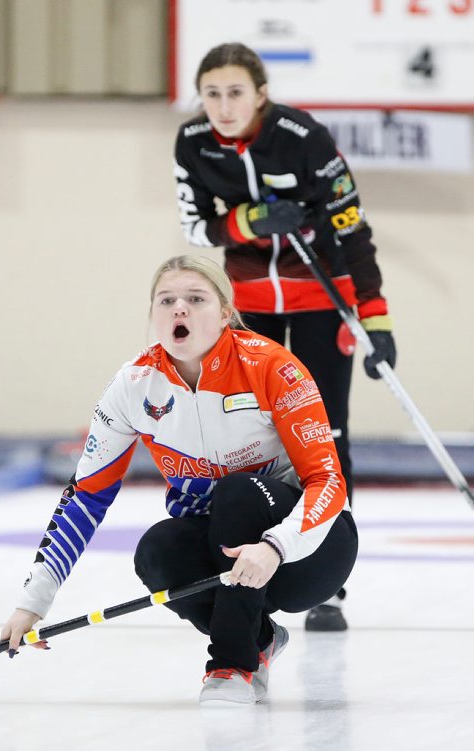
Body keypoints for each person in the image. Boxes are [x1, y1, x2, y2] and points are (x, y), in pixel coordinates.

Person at [1, 255, 358, 706]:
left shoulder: (273, 367)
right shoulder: (134, 386)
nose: (179, 310)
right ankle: (258, 639)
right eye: (166, 300)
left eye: (195, 299)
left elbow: (328, 481)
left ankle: (232, 665)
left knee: (238, 494)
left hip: (310, 554)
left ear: (225, 313)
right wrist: (34, 600)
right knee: (157, 550)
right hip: (225, 555)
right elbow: (86, 496)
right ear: (153, 314)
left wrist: (276, 546)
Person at [173, 42, 396, 631]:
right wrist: (248, 222)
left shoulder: (303, 137)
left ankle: (329, 576)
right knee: (257, 437)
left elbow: (352, 227)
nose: (222, 106)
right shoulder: (192, 142)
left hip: (322, 299)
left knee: (324, 433)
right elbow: (195, 226)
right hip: (247, 307)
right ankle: (256, 556)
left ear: (261, 95)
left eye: (235, 93)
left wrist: (375, 318)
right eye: (212, 94)